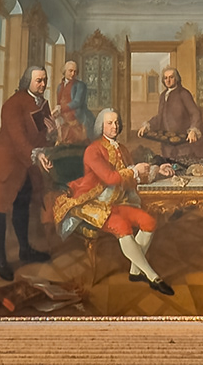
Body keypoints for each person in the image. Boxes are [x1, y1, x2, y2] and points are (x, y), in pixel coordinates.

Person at [57, 108, 173, 292]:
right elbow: (110, 178)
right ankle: (153, 276)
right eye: (109, 123)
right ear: (101, 126)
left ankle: (135, 271)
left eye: (116, 122)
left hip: (118, 201)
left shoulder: (122, 149)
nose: (114, 126)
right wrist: (134, 171)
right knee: (122, 227)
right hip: (95, 203)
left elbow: (132, 175)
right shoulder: (93, 150)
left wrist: (157, 170)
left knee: (149, 222)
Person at [0, 65, 59, 276]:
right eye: (38, 80)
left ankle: (24, 250)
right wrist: (37, 154)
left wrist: (53, 134)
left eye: (45, 80)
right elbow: (18, 137)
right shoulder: (13, 104)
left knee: (22, 206)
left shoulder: (44, 105)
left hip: (25, 165)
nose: (43, 84)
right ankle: (1, 261)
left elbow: (42, 136)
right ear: (27, 81)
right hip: (5, 163)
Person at [139, 63, 203, 169]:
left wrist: (193, 130)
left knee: (186, 168)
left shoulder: (184, 93)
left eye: (171, 77)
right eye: (166, 78)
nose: (168, 80)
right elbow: (160, 116)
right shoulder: (163, 95)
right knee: (170, 168)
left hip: (184, 143)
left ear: (176, 79)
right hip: (167, 143)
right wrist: (147, 126)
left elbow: (195, 113)